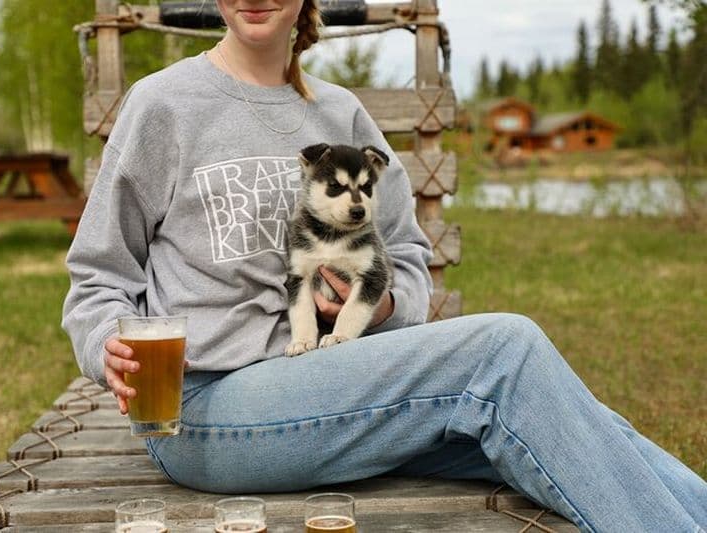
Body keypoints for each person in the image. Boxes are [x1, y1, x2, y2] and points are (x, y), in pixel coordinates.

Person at [61, 0, 707, 530]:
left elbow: (408, 258)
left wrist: (380, 305)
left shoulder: (341, 114)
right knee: (505, 351)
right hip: (205, 409)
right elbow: (98, 276)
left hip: (342, 388)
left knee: (580, 423)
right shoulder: (163, 104)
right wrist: (105, 342)